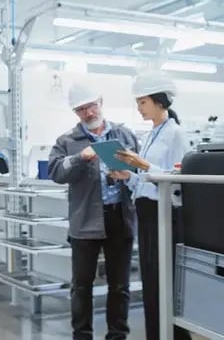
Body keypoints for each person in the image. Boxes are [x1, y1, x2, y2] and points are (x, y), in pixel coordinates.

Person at [48, 83, 140, 340]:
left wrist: (128, 172)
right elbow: (55, 171)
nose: (88, 113)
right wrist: (81, 158)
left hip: (120, 217)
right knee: (81, 286)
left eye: (91, 106)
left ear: (100, 102)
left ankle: (117, 335)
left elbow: (142, 168)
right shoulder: (67, 141)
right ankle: (82, 335)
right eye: (81, 110)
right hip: (84, 220)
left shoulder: (124, 135)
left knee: (120, 285)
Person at [111, 71, 192, 340]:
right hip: (146, 215)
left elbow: (180, 182)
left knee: (165, 283)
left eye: (142, 102)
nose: (139, 108)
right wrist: (129, 176)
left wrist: (142, 164)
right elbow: (148, 181)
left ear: (160, 101)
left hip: (165, 217)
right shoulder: (149, 136)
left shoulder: (176, 134)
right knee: (151, 283)